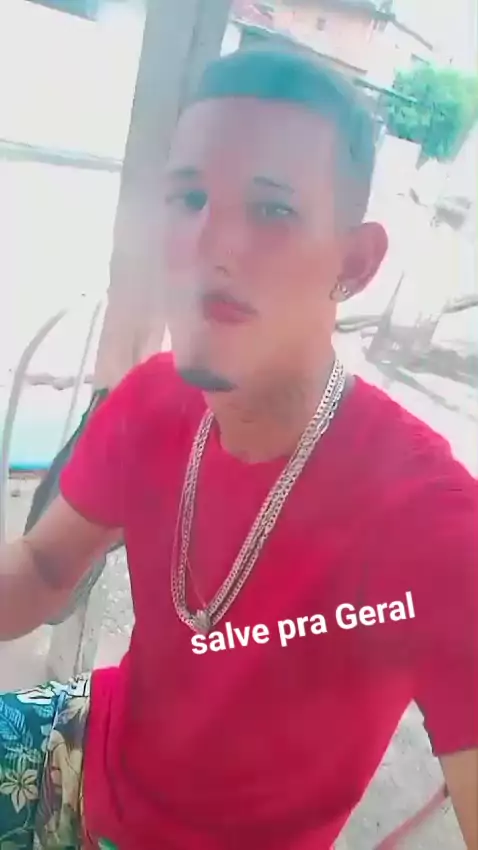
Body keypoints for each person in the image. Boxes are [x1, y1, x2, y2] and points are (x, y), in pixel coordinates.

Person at [0, 49, 477, 850]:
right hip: (83, 747)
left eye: (272, 209)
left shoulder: (432, 524)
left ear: (355, 264)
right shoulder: (151, 402)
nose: (210, 244)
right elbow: (47, 568)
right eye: (189, 198)